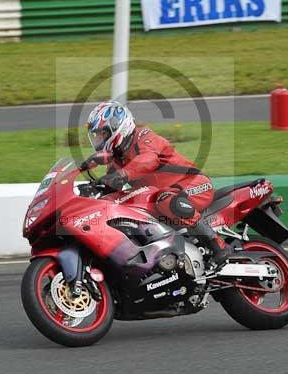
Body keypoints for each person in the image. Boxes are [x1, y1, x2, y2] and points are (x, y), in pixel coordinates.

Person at [84, 100, 232, 266]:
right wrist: (91, 191)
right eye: (95, 135)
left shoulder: (144, 136)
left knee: (168, 200)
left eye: (101, 134)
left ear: (118, 126)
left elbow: (148, 160)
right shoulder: (116, 157)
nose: (98, 139)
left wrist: (123, 174)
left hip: (194, 184)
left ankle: (218, 245)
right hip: (162, 195)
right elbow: (111, 188)